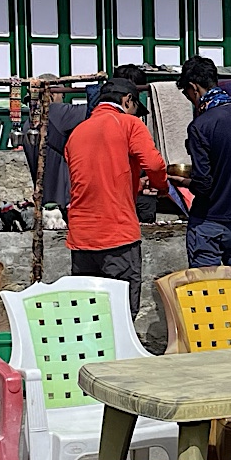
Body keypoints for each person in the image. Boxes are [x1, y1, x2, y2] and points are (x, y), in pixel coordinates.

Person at [61, 75, 168, 317]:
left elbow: (94, 176)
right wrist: (160, 186)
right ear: (128, 100)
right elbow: (154, 164)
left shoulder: (77, 132)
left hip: (82, 236)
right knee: (121, 314)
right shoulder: (129, 124)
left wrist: (133, 183)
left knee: (89, 314)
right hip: (117, 234)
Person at [174, 56, 231, 268]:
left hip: (208, 223)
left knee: (208, 294)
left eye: (188, 94)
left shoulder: (201, 125)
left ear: (193, 88)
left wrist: (181, 181)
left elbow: (203, 184)